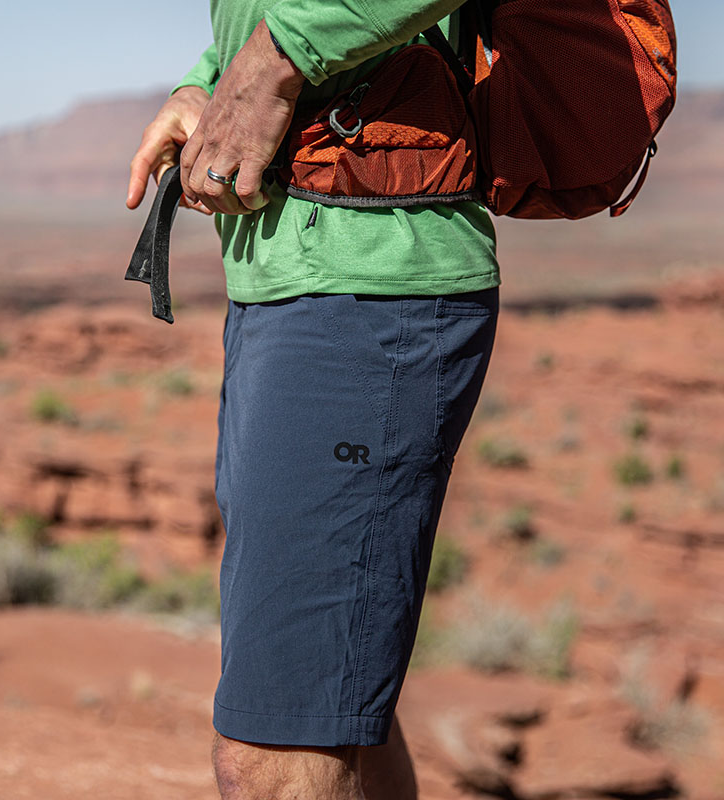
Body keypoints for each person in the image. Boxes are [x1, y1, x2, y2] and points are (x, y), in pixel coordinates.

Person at [126, 2, 499, 797]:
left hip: (365, 286)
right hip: (294, 279)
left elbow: (289, 30)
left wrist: (267, 65)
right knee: (336, 709)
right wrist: (213, 82)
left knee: (272, 753)